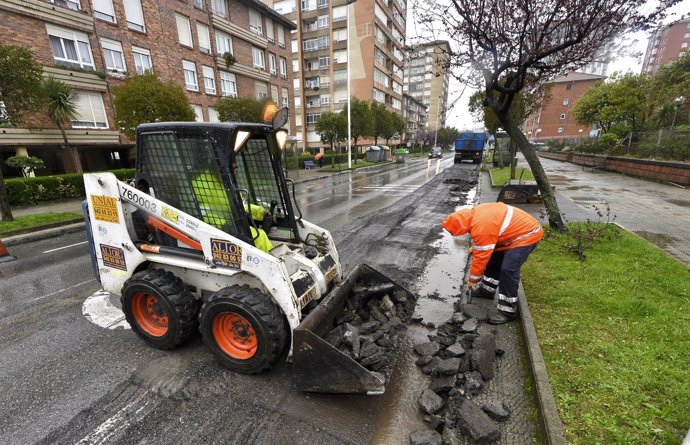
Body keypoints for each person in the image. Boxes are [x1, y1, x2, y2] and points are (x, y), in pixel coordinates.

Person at [442, 202, 543, 325]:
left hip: (527, 234)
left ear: (460, 227)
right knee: (494, 257)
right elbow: (487, 241)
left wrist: (472, 281)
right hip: (513, 232)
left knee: (508, 269)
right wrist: (478, 247)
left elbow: (481, 258)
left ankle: (508, 311)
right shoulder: (474, 215)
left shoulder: (481, 226)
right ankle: (487, 290)